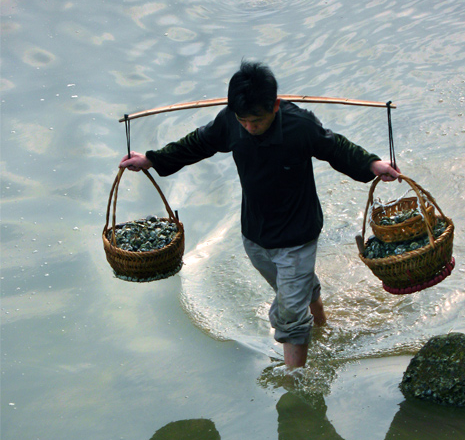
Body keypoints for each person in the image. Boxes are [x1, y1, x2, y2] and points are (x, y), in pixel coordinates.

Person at [119, 60, 400, 368]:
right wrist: (151, 159)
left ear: (275, 106)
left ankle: (296, 383)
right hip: (255, 233)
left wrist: (372, 165)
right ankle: (322, 323)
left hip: (298, 232)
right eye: (244, 121)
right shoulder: (230, 121)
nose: (250, 127)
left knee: (291, 314)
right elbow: (198, 143)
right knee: (290, 288)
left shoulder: (299, 124)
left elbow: (336, 148)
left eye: (257, 120)